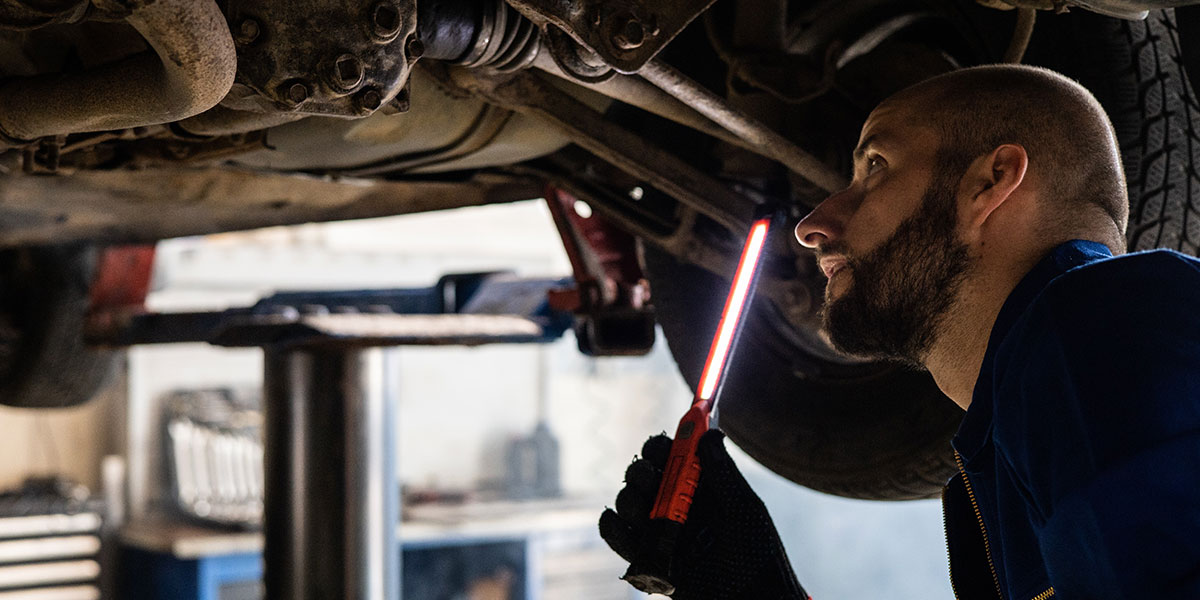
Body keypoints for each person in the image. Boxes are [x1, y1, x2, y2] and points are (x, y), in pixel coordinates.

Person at [599, 63, 1200, 599]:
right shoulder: (991, 474)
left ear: (990, 184)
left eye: (876, 168)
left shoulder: (1105, 323)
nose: (813, 224)